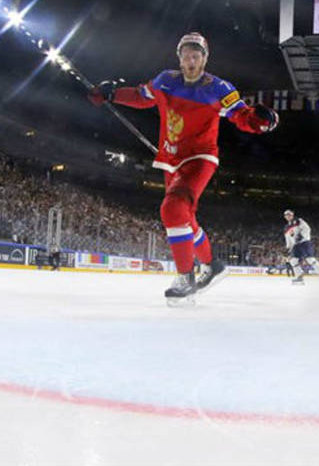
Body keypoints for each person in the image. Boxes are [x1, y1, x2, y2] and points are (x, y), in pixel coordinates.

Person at [88, 32, 278, 302]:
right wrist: (112, 94)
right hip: (171, 159)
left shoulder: (218, 88)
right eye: (186, 55)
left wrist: (259, 121)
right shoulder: (165, 81)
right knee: (185, 218)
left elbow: (241, 115)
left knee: (172, 207)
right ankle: (213, 266)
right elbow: (143, 96)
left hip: (200, 158)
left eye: (196, 55)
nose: (190, 60)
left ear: (204, 59)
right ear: (179, 57)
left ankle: (185, 277)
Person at [283, 209, 319, 284]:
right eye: (286, 215)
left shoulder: (298, 221)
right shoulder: (286, 227)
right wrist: (288, 249)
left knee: (310, 259)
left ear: (292, 214)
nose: (288, 216)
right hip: (296, 246)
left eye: (289, 214)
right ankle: (299, 277)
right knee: (293, 260)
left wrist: (302, 236)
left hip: (304, 242)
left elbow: (307, 228)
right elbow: (288, 239)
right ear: (285, 217)